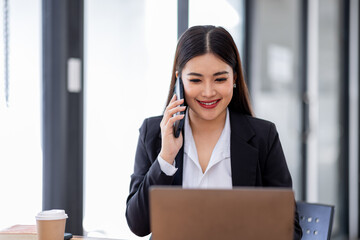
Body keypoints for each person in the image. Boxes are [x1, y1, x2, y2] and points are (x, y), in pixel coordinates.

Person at [125, 25, 302, 239]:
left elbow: (290, 229)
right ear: (179, 80)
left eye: (220, 79)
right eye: (195, 80)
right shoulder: (154, 132)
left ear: (234, 78)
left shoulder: (264, 136)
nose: (208, 92)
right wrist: (166, 157)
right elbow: (138, 225)